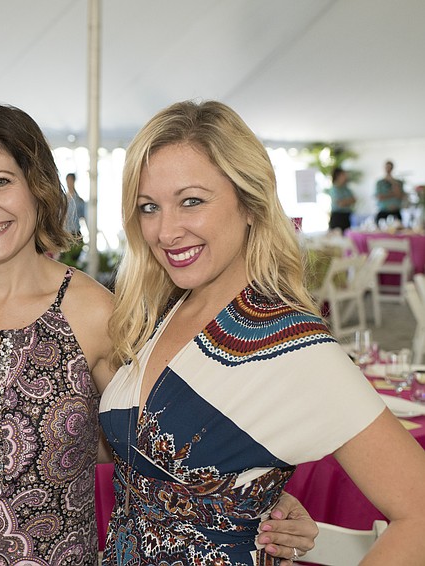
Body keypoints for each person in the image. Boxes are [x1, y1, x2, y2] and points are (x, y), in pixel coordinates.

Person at [0, 103, 318, 565]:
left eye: (0, 181)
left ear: (37, 187)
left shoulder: (95, 313)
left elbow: (156, 444)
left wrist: (253, 499)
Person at [102, 99, 425, 564]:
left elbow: (417, 511)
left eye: (191, 201)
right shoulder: (162, 311)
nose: (166, 231)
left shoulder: (292, 343)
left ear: (251, 203)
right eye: (148, 207)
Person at [375, 159, 405, 224]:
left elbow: (400, 196)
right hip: (383, 211)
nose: (388, 169)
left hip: (396, 212)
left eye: (390, 167)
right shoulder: (380, 183)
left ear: (392, 168)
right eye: (387, 167)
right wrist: (393, 194)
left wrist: (393, 182)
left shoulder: (398, 182)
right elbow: (379, 197)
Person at [327, 166, 356, 231]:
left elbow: (354, 200)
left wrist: (346, 201)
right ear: (338, 176)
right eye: (343, 175)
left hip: (347, 217)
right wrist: (348, 201)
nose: (346, 176)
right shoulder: (334, 189)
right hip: (337, 217)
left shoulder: (346, 189)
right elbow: (341, 203)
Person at [65, 172, 87, 237]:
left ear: (74, 181)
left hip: (75, 232)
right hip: (65, 233)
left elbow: (84, 217)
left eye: (70, 180)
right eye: (67, 181)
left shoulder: (79, 200)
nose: (68, 183)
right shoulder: (63, 199)